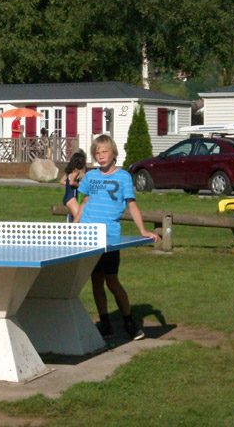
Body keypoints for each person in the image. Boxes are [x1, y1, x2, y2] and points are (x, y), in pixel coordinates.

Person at [74, 135, 159, 339]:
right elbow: (85, 201)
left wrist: (143, 231)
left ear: (113, 153)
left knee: (112, 281)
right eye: (97, 153)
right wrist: (74, 225)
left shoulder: (123, 177)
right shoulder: (91, 176)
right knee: (95, 281)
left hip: (110, 237)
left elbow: (132, 204)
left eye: (104, 152)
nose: (100, 157)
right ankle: (105, 324)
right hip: (88, 236)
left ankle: (129, 322)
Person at [60, 151, 87, 221]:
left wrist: (69, 183)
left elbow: (62, 181)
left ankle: (72, 230)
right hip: (71, 197)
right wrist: (79, 185)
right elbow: (72, 182)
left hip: (67, 197)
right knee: (79, 218)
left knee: (75, 219)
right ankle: (73, 231)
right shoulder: (76, 171)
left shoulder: (69, 170)